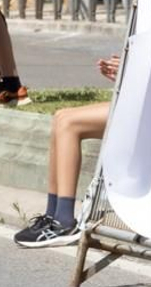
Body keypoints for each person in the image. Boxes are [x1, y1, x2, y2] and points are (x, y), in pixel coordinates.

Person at [13, 56, 121, 248]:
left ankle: (64, 222)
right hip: (142, 104)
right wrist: (122, 75)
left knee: (69, 124)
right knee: (61, 116)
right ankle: (53, 215)